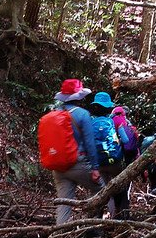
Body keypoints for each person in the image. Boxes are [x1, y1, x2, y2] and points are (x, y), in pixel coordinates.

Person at [49, 79, 102, 225]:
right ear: (79, 97)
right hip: (78, 164)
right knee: (101, 190)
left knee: (64, 207)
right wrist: (95, 168)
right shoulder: (83, 114)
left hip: (59, 167)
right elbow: (90, 143)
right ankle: (93, 230)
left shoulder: (55, 114)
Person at [90, 92, 131, 219]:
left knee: (103, 190)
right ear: (108, 107)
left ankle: (99, 220)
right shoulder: (113, 122)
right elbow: (125, 140)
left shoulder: (90, 123)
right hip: (115, 161)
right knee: (120, 187)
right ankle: (122, 216)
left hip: (99, 163)